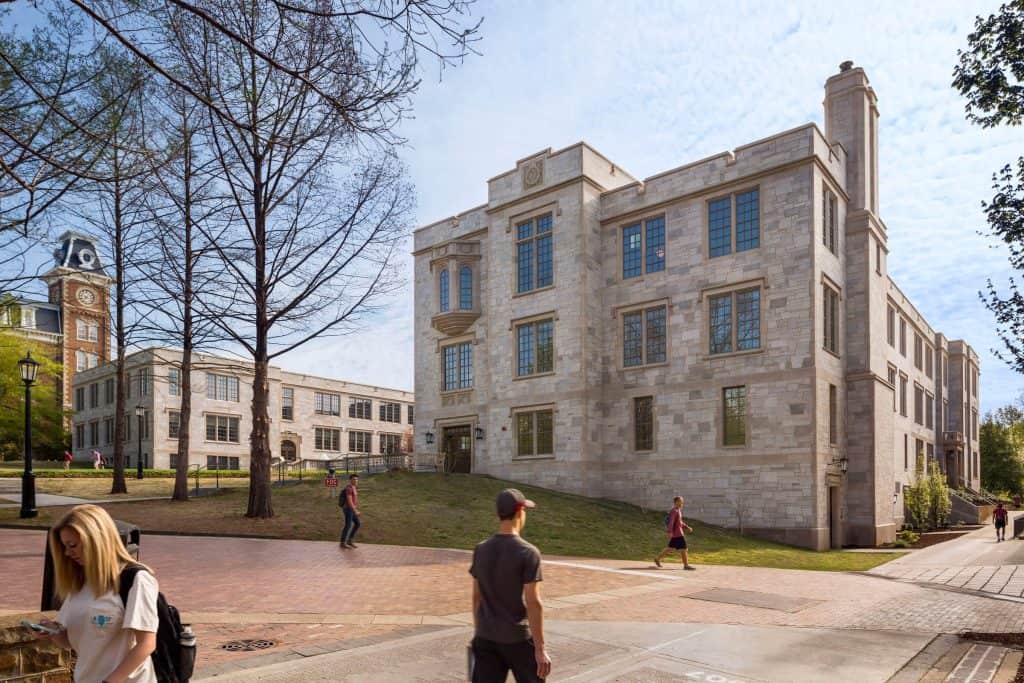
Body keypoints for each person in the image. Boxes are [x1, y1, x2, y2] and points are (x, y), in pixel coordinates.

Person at [37, 504, 159, 683]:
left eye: (72, 545)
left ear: (96, 540)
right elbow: (73, 643)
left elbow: (146, 644)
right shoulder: (81, 583)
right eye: (64, 546)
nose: (67, 553)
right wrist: (54, 633)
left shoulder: (137, 580)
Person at [469, 488, 551, 683]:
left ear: (498, 514)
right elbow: (533, 603)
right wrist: (540, 649)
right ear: (520, 512)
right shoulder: (528, 552)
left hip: (486, 638)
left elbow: (476, 598)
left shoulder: (481, 549)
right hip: (518, 639)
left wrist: (480, 631)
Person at [655, 496, 696, 570]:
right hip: (678, 534)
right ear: (676, 502)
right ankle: (686, 565)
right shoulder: (674, 511)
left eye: (682, 502)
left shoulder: (678, 511)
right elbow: (671, 522)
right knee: (684, 549)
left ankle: (657, 558)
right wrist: (670, 532)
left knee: (670, 548)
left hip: (677, 533)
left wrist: (687, 527)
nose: (682, 503)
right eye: (680, 501)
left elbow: (680, 522)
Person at [339, 473, 361, 548]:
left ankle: (349, 540)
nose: (356, 481)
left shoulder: (354, 487)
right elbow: (349, 501)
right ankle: (342, 542)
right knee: (348, 525)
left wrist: (355, 509)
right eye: (354, 479)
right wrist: (355, 511)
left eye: (357, 479)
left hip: (351, 509)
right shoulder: (349, 488)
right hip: (348, 509)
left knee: (357, 524)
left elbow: (353, 501)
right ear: (350, 480)